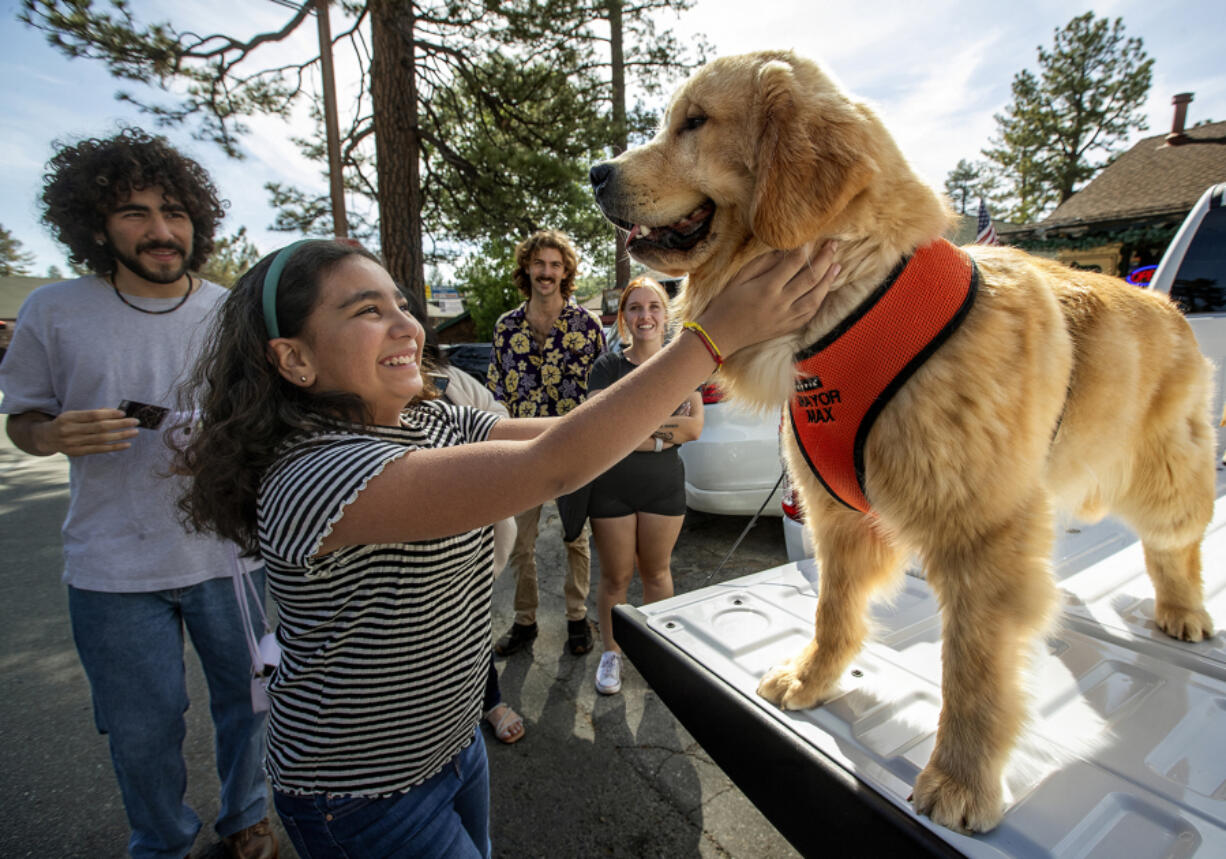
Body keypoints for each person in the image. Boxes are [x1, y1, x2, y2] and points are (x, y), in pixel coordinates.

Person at [173, 237, 838, 858]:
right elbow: (552, 464)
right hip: (359, 789)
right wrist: (710, 335)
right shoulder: (316, 473)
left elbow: (565, 433)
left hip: (453, 743)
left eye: (401, 304)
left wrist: (673, 408)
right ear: (294, 357)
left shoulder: (428, 416)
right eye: (367, 311)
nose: (408, 325)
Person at [0, 129, 277, 859]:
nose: (161, 230)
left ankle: (246, 815)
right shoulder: (53, 311)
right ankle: (160, 839)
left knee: (250, 704)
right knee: (142, 725)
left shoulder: (231, 309)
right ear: (95, 224)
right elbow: (22, 419)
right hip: (111, 566)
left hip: (228, 555)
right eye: (134, 212)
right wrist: (52, 434)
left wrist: (230, 443)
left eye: (176, 212)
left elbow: (268, 417)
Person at [410, 291, 525, 746]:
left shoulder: (450, 385)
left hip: (465, 549)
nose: (399, 330)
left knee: (469, 621)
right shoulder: (330, 435)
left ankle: (489, 699)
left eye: (405, 314)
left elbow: (509, 430)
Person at [486, 229, 606, 657]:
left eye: (556, 265)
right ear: (527, 268)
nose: (547, 272)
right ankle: (525, 621)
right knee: (521, 542)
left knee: (576, 539)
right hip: (522, 454)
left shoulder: (587, 326)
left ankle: (577, 618)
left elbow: (604, 391)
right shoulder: (506, 328)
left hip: (573, 449)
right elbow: (495, 393)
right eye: (540, 264)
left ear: (566, 271)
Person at [587, 277, 704, 695]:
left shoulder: (680, 363)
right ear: (624, 318)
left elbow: (694, 427)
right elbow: (600, 429)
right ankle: (611, 653)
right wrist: (659, 434)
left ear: (665, 313)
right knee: (615, 579)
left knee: (656, 573)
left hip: (663, 490)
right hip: (612, 489)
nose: (645, 316)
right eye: (635, 308)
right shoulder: (607, 367)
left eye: (653, 306)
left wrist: (639, 432)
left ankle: (659, 653)